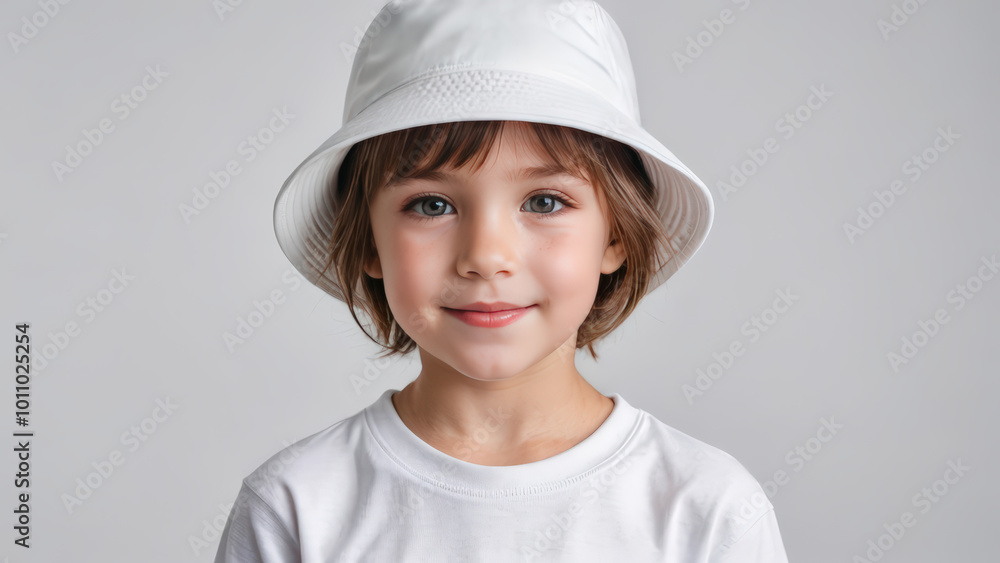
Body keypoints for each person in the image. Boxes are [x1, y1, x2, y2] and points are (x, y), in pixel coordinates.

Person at [215, 0, 790, 561]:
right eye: (432, 205)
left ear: (615, 235)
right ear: (369, 241)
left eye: (544, 201)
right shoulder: (295, 507)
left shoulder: (706, 510)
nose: (486, 258)